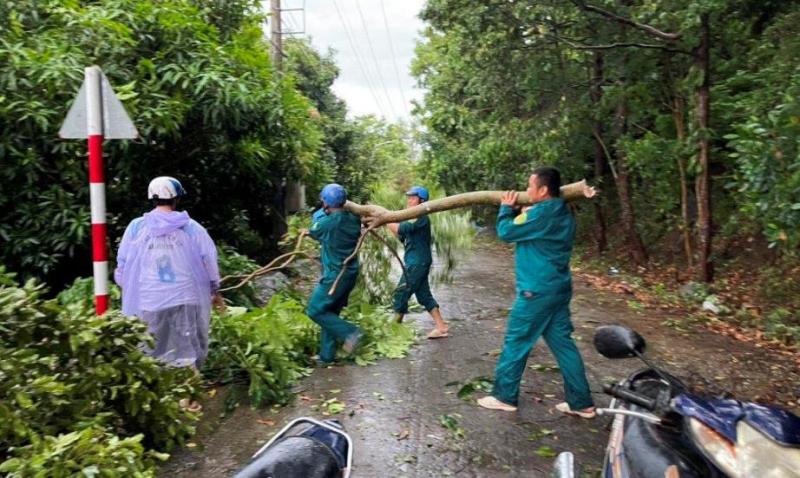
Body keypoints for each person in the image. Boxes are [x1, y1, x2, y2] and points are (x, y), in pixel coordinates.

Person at [478, 167, 595, 418]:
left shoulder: (542, 213)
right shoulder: (562, 212)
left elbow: (506, 232)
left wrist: (505, 209)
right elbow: (529, 229)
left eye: (530, 186)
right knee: (564, 346)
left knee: (516, 342)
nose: (526, 190)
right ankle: (581, 403)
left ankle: (504, 396)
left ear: (543, 190)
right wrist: (520, 213)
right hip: (558, 289)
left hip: (536, 292)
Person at [114, 176, 222, 412]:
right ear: (177, 198)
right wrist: (214, 289)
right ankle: (188, 399)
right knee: (187, 348)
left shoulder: (136, 228)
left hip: (150, 300)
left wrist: (126, 286)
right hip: (187, 299)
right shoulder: (191, 228)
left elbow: (122, 265)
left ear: (152, 198)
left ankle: (158, 402)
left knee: (152, 349)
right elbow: (209, 261)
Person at [304, 183, 364, 365]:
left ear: (326, 203)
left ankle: (351, 332)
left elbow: (314, 229)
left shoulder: (328, 222)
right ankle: (326, 356)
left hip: (335, 276)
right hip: (350, 273)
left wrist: (320, 214)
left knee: (314, 310)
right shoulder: (354, 218)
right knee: (329, 312)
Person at [386, 186, 449, 339]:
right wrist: (385, 221)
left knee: (401, 292)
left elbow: (400, 228)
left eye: (413, 198)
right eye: (408, 197)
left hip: (417, 262)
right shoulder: (412, 217)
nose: (409, 200)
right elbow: (400, 235)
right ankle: (441, 327)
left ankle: (394, 330)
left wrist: (385, 218)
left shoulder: (420, 217)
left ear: (421, 200)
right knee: (424, 295)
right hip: (417, 261)